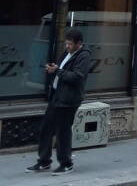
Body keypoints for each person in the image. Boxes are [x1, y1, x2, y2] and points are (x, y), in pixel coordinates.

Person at [26, 28, 91, 174]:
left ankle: (66, 163)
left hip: (69, 100)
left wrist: (57, 71)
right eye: (66, 43)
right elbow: (61, 70)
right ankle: (44, 161)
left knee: (62, 132)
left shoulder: (84, 56)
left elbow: (77, 77)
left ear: (79, 43)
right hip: (57, 97)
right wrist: (53, 70)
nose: (67, 46)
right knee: (46, 129)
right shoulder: (68, 53)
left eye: (70, 44)